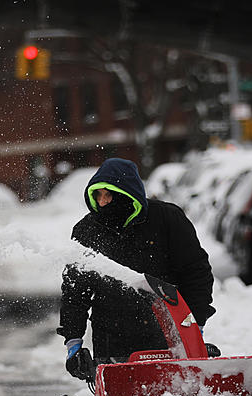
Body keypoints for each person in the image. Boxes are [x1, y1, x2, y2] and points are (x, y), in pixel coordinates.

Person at [58, 157, 215, 380]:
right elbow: (75, 293)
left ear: (126, 194)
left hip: (167, 337)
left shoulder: (167, 219)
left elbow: (195, 273)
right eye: (98, 196)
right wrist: (73, 343)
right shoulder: (87, 231)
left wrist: (195, 326)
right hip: (111, 342)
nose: (102, 203)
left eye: (108, 195)